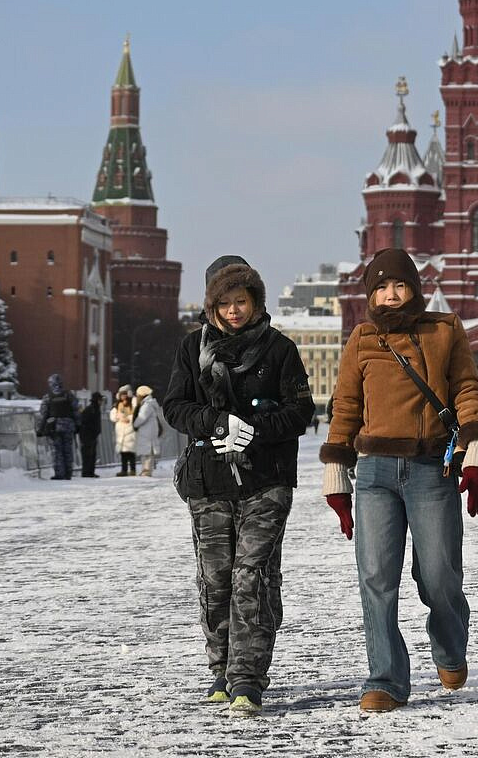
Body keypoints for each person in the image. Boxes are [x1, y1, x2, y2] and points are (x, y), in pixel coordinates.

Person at [321, 247, 478, 713]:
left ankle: (450, 647)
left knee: (439, 575)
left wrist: (477, 456)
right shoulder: (362, 339)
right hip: (374, 472)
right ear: (370, 295)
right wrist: (336, 474)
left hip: (430, 469)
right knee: (376, 577)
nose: (391, 295)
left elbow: (466, 389)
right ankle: (385, 679)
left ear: (414, 288)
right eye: (381, 287)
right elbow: (346, 406)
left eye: (399, 285)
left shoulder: (444, 329)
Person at [161, 255, 316, 716]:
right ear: (211, 305)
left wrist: (253, 428)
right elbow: (175, 407)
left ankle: (247, 677)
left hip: (266, 479)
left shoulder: (280, 349)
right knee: (215, 579)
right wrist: (215, 422)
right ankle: (222, 668)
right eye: (224, 302)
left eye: (241, 301)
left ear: (256, 301)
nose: (234, 310)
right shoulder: (191, 349)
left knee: (252, 575)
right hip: (208, 481)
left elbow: (300, 412)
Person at [40, 373, 80, 480]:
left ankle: (59, 473)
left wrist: (41, 428)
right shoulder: (69, 395)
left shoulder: (48, 397)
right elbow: (76, 410)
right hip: (68, 426)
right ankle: (68, 473)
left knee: (57, 451)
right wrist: (78, 424)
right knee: (68, 450)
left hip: (55, 427)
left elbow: (43, 413)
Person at [133, 385, 165, 476]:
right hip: (149, 432)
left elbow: (141, 418)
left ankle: (146, 470)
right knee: (147, 452)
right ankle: (146, 470)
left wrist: (135, 424)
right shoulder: (150, 404)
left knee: (147, 452)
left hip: (146, 433)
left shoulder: (146, 405)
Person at [75, 388, 103, 478]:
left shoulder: (95, 409)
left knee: (92, 455)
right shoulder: (91, 409)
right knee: (87, 455)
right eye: (100, 400)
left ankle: (90, 472)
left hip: (92, 435)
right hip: (87, 435)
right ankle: (86, 472)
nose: (101, 402)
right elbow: (85, 422)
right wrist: (92, 431)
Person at [111, 387, 139, 477]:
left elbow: (135, 415)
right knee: (123, 453)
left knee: (131, 452)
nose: (123, 397)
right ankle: (124, 470)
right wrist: (120, 417)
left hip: (129, 431)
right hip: (121, 431)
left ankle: (133, 470)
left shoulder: (132, 404)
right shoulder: (117, 405)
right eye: (122, 395)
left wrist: (128, 419)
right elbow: (113, 416)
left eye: (125, 395)